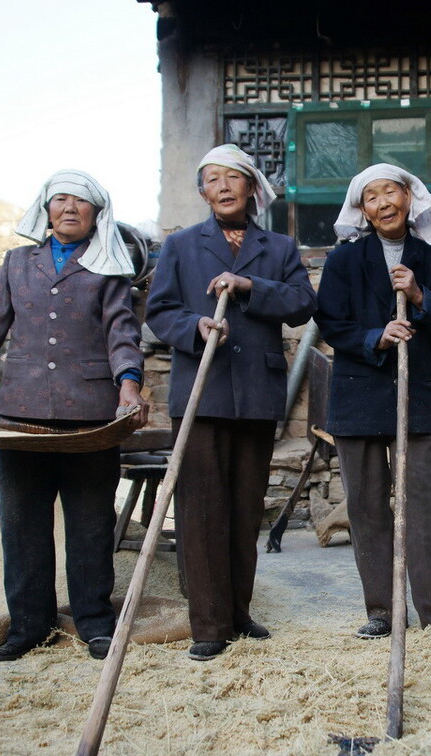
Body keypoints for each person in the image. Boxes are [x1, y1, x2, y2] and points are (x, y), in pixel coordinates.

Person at [0, 169, 149, 662]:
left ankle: (93, 621)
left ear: (96, 214)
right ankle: (29, 626)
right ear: (45, 209)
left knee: (90, 523)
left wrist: (128, 387)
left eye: (80, 202)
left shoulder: (108, 267)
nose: (69, 208)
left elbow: (122, 334)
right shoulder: (17, 263)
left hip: (90, 417)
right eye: (60, 200)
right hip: (19, 415)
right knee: (22, 522)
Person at [145, 144, 316, 661]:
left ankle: (239, 612)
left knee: (245, 509)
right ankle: (208, 624)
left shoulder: (279, 248)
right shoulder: (180, 246)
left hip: (257, 394)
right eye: (211, 179)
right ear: (203, 193)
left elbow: (302, 304)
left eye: (232, 178)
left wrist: (248, 285)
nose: (221, 187)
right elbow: (159, 311)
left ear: (250, 189)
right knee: (200, 510)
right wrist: (194, 326)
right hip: (202, 390)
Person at [315, 163, 431, 642]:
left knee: (429, 505)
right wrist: (376, 337)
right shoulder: (344, 262)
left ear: (410, 198)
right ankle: (384, 612)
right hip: (358, 398)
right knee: (367, 507)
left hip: (418, 398)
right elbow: (331, 325)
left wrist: (419, 293)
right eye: (372, 197)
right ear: (362, 210)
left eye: (392, 192)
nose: (383, 203)